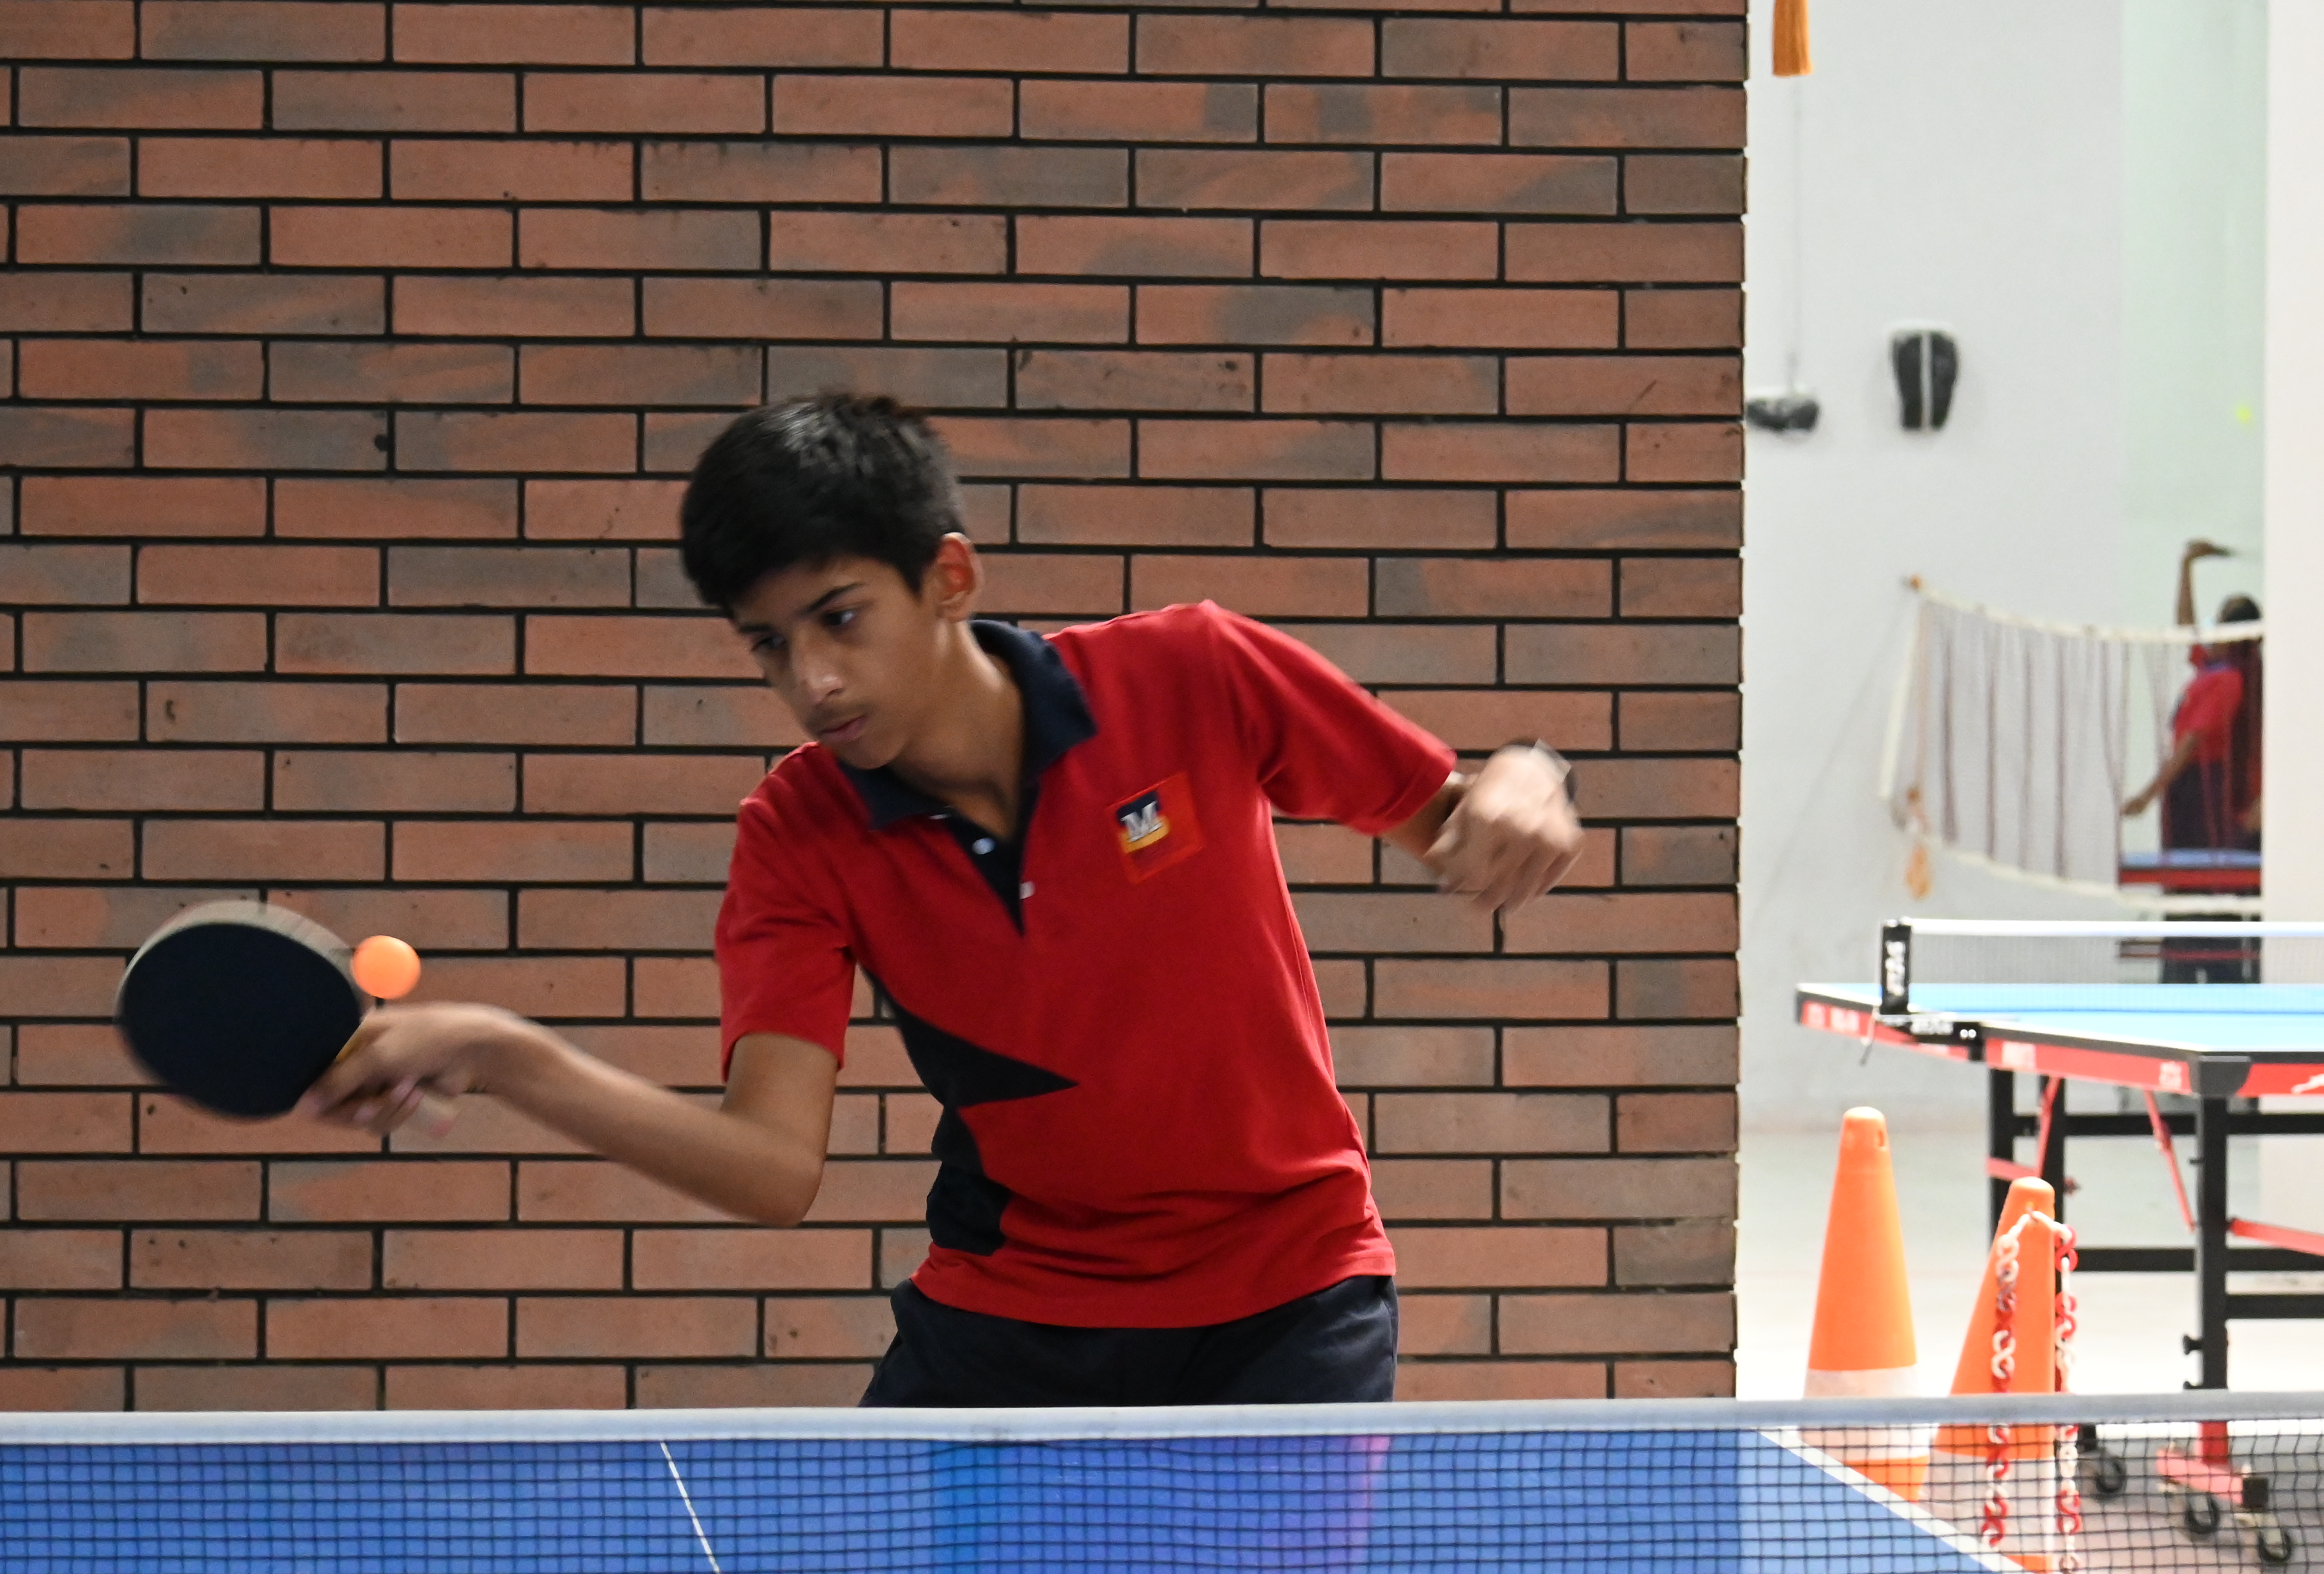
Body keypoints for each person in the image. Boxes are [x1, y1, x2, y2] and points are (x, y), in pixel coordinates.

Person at [307, 394, 1584, 1406]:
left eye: (841, 617)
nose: (812, 679)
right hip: (1017, 1316)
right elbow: (769, 1169)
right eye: (768, 643)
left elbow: (1460, 819)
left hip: (1287, 1295)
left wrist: (1533, 770)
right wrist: (499, 1050)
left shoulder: (1194, 672)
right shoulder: (798, 835)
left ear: (951, 579)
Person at [2121, 539, 2262, 849]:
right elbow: (2187, 627)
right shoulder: (2213, 667)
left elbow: (2190, 746)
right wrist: (2186, 566)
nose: (2211, 629)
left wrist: (2147, 795)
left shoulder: (2227, 679)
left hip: (2204, 786)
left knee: (2198, 865)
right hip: (2189, 782)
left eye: (2220, 622)